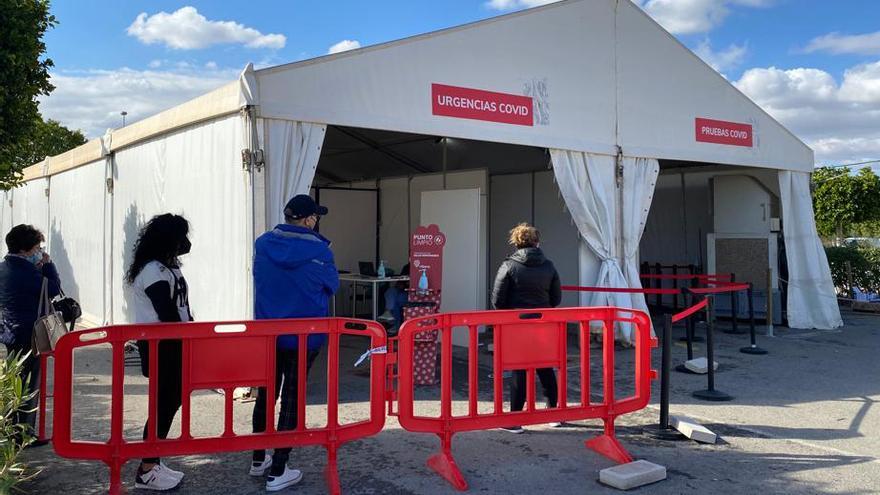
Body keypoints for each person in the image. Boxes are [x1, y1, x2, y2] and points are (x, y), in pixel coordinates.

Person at [250, 194, 339, 492]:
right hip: (306, 333)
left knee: (266, 394)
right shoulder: (321, 249)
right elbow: (333, 285)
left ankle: (258, 458)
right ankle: (279, 469)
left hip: (268, 333)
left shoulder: (262, 244)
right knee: (291, 397)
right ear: (309, 219)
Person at [126, 214, 193, 491]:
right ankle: (147, 467)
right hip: (162, 344)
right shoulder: (153, 270)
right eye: (180, 237)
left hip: (173, 341)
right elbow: (165, 311)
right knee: (164, 403)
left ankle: (153, 460)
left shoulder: (165, 267)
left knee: (169, 401)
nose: (185, 243)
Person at [490, 223, 562, 434]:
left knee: (519, 368)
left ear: (516, 242)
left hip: (517, 324)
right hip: (544, 323)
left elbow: (497, 300)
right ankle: (553, 415)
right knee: (546, 366)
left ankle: (515, 419)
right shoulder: (549, 266)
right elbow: (556, 299)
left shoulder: (509, 265)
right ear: (537, 242)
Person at [0, 225, 61, 447]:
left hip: (9, 330)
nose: (39, 251)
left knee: (15, 378)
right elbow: (53, 288)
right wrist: (48, 265)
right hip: (30, 332)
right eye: (36, 247)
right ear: (25, 250)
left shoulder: (4, 268)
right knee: (27, 383)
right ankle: (22, 433)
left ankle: (10, 427)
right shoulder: (28, 271)